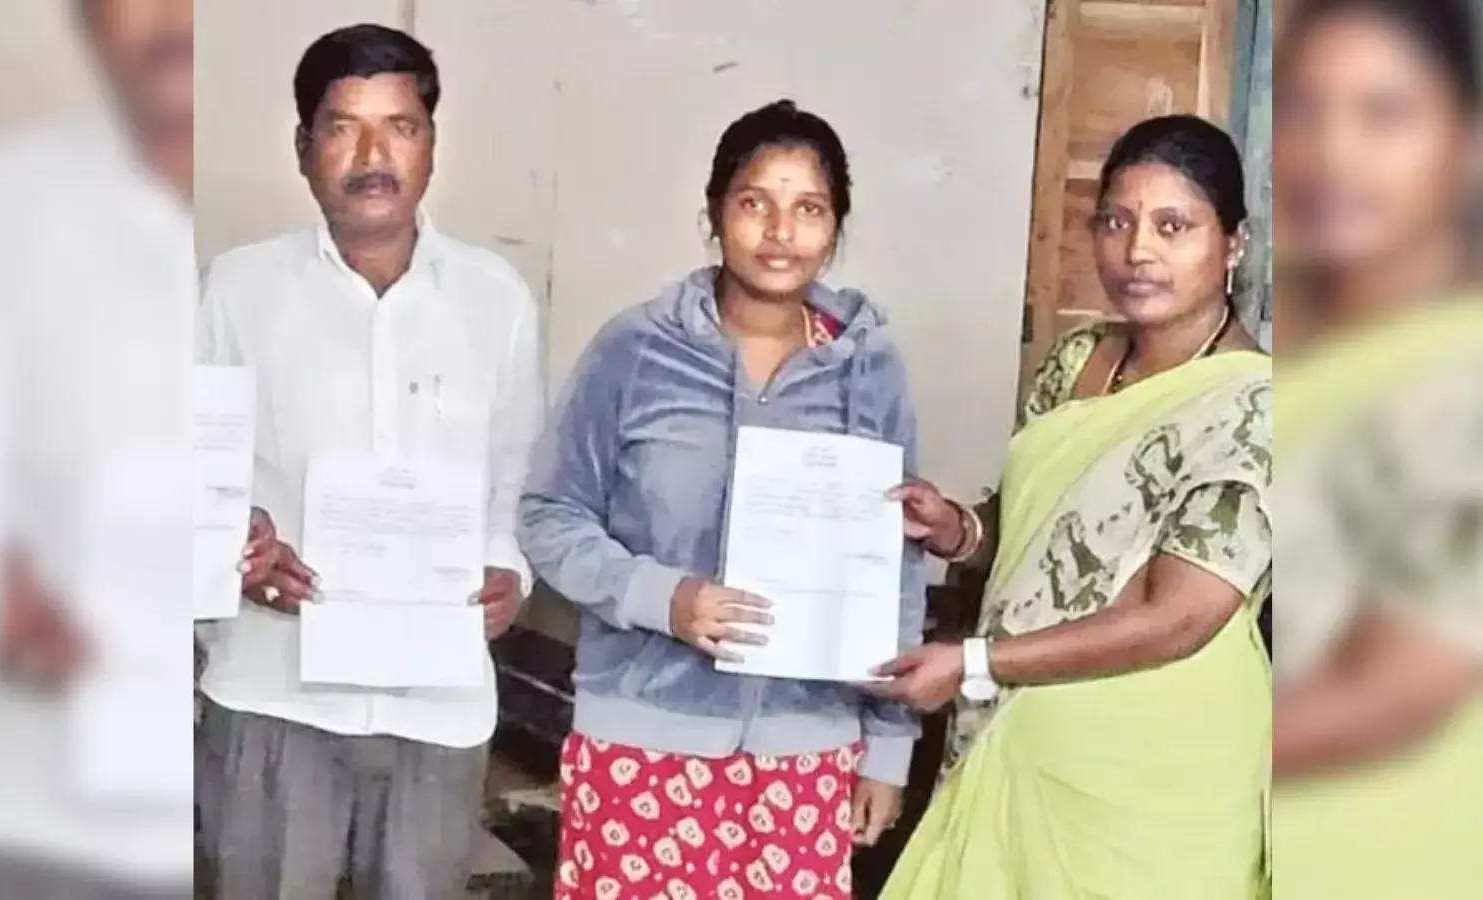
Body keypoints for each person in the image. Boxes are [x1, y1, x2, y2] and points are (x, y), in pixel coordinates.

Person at [517, 99, 925, 900]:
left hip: (807, 752)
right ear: (714, 214)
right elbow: (548, 514)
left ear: (835, 228)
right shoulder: (635, 350)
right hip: (642, 743)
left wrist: (887, 745)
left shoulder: (869, 369)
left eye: (808, 209)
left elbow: (896, 566)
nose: (780, 232)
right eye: (754, 203)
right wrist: (661, 598)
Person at [872, 115, 1272, 899]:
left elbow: (1178, 618)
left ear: (1234, 244)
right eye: (1116, 222)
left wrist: (975, 663)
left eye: (1173, 226)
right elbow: (1042, 536)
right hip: (1020, 743)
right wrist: (957, 528)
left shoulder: (1256, 404)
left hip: (1157, 778)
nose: (1137, 251)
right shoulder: (1076, 362)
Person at [194, 23, 543, 899]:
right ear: (303, 147)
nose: (373, 155)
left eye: (400, 127)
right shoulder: (236, 290)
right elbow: (183, 471)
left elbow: (518, 478)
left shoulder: (495, 299)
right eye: (344, 127)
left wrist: (509, 571)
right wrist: (234, 548)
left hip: (439, 700)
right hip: (275, 692)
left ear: (431, 145)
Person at [0, 0, 199, 896]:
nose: (172, 20)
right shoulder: (7, 205)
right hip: (34, 781)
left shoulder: (261, 271)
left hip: (209, 752)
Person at [1271, 1, 1483, 897]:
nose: (1333, 153)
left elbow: (1397, 691)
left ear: (1465, 144)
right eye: (1304, 110)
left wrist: (1169, 755)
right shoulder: (1298, 355)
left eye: (1384, 113)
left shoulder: (1460, 374)